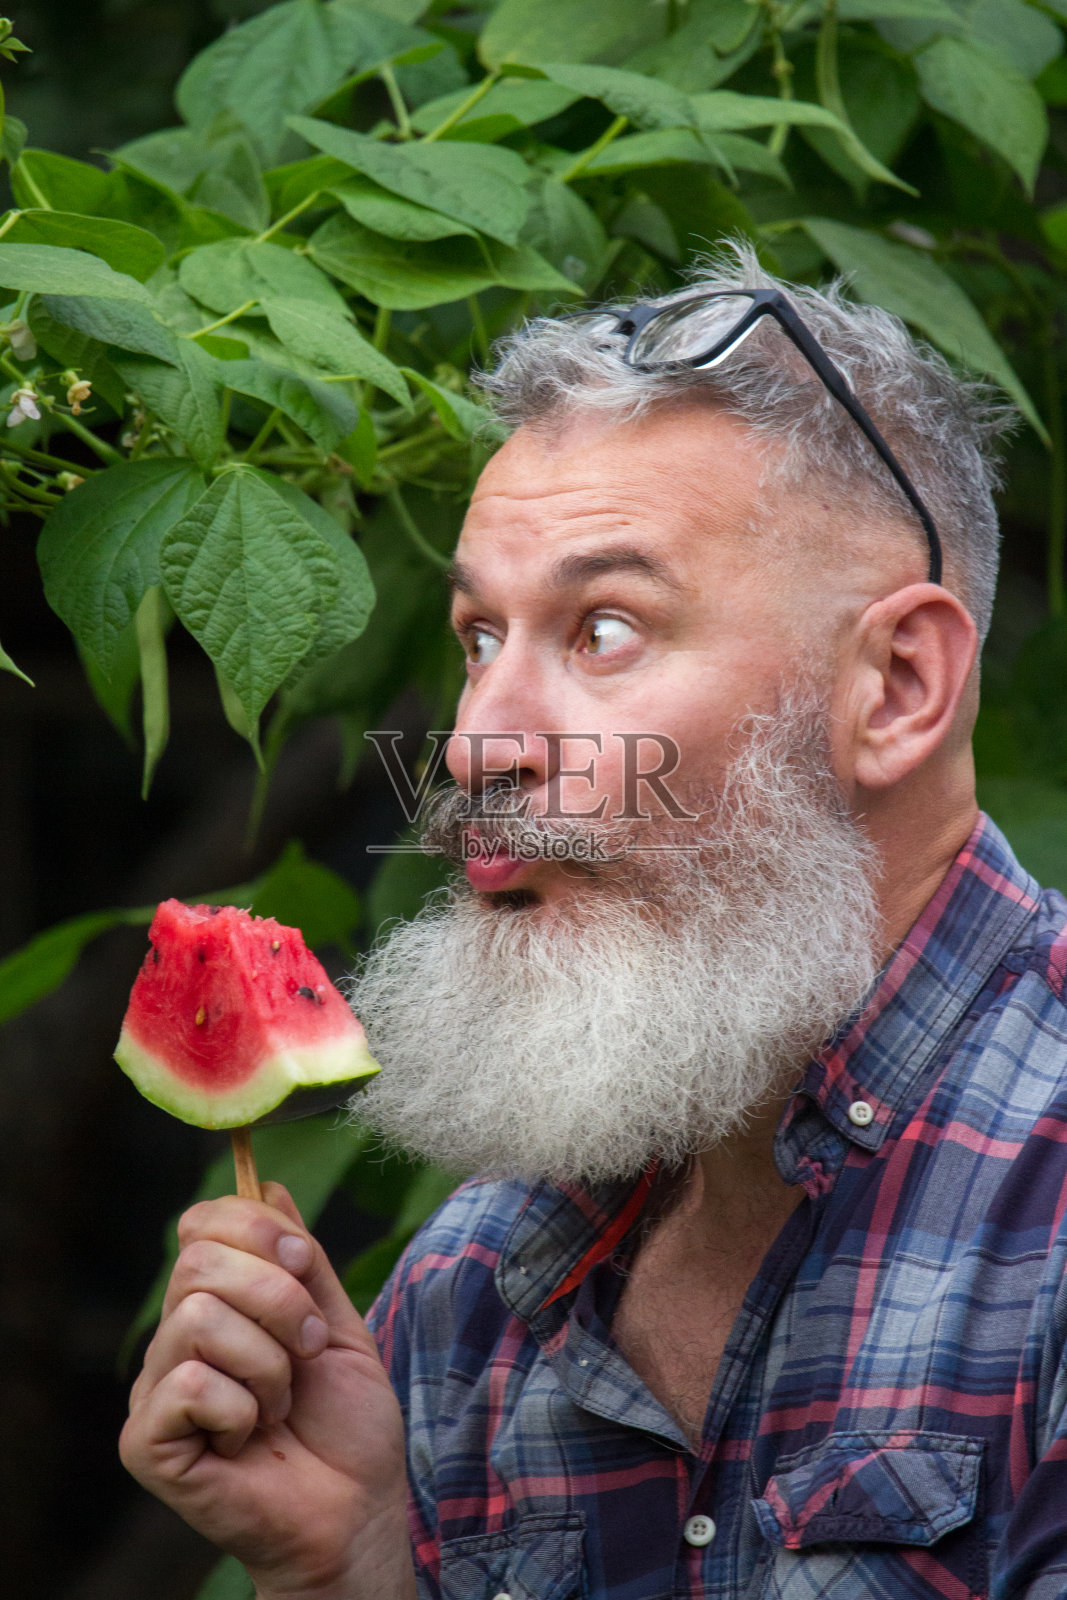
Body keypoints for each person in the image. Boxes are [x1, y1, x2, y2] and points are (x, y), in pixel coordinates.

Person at [120, 246, 1067, 1600]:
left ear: (899, 688)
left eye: (605, 629)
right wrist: (350, 1567)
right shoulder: (465, 1295)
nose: (472, 747)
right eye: (476, 637)